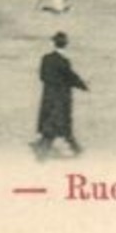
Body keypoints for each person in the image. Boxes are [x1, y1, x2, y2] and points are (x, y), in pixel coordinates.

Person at [34, 31, 89, 159]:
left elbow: (42, 76)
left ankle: (73, 148)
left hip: (48, 95)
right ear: (66, 44)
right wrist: (83, 86)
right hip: (61, 95)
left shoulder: (46, 58)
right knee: (61, 122)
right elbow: (71, 77)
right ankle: (73, 149)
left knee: (50, 121)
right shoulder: (64, 61)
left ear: (54, 43)